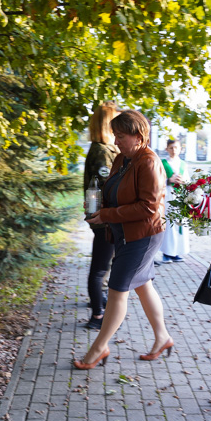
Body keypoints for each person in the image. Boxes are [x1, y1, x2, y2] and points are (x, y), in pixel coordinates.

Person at [75, 110, 172, 369]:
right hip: (125, 234)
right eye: (115, 135)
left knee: (118, 291)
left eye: (120, 136)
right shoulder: (122, 159)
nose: (116, 141)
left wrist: (106, 214)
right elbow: (112, 191)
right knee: (143, 285)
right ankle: (162, 337)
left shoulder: (148, 162)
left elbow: (148, 208)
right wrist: (98, 209)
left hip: (142, 236)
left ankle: (99, 348)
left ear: (139, 136)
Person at [82, 102, 120, 329]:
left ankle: (99, 306)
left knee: (104, 266)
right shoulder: (101, 151)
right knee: (99, 269)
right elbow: (105, 186)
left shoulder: (104, 149)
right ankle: (97, 316)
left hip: (105, 217)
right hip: (104, 219)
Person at [158, 138, 190, 263]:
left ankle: (176, 252)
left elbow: (188, 181)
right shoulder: (163, 163)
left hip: (180, 197)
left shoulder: (183, 164)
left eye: (176, 148)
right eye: (171, 148)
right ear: (167, 149)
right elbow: (157, 180)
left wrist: (183, 181)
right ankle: (167, 252)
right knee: (169, 225)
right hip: (168, 196)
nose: (174, 150)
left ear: (180, 149)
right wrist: (168, 180)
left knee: (180, 224)